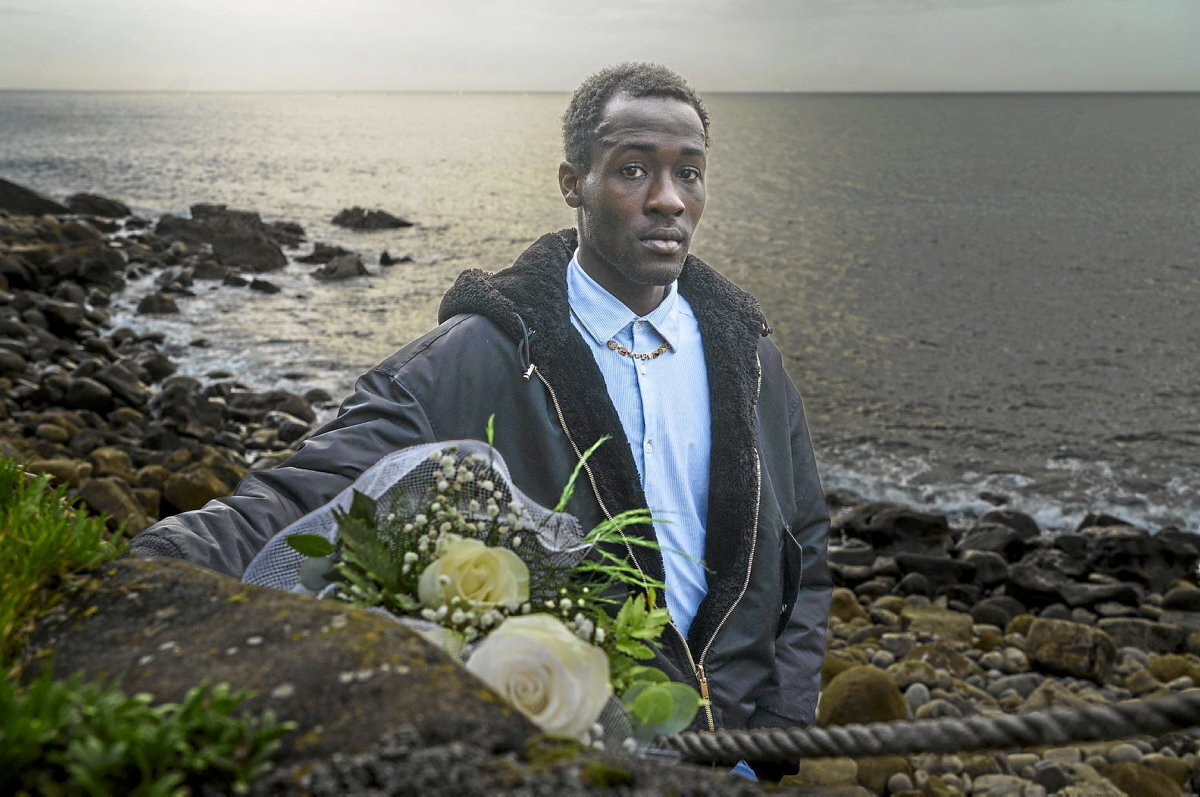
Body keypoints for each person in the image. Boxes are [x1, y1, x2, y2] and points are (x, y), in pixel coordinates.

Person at [131, 63, 831, 778]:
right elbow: (310, 491)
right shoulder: (475, 357)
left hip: (736, 751)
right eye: (632, 169)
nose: (668, 199)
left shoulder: (751, 361)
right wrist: (149, 570)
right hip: (575, 754)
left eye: (689, 173)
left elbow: (802, 540)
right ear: (573, 183)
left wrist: (783, 716)